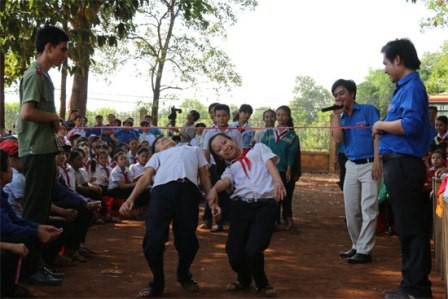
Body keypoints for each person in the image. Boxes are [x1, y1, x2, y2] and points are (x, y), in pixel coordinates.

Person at [119, 136, 221, 298]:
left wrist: (211, 198)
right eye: (160, 141)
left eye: (165, 138)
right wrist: (130, 199)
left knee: (188, 241)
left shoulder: (194, 150)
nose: (164, 140)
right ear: (157, 149)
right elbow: (146, 178)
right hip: (161, 193)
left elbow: (204, 176)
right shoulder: (157, 156)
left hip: (188, 192)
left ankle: (183, 273)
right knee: (153, 240)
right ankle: (157, 282)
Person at [372, 38, 432, 299]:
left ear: (398, 60)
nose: (385, 69)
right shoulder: (404, 88)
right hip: (398, 164)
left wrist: (381, 125)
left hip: (404, 165)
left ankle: (416, 289)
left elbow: (409, 125)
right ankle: (410, 285)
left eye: (386, 62)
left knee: (411, 228)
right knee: (406, 227)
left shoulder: (413, 88)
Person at [207, 133, 286, 297]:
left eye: (225, 142)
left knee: (253, 250)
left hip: (265, 206)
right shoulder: (230, 168)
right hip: (241, 206)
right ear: (219, 157)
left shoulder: (258, 149)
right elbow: (225, 182)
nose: (225, 147)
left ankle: (262, 283)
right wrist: (214, 189)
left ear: (232, 140)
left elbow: (270, 163)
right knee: (233, 252)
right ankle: (244, 279)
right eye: (219, 149)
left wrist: (278, 181)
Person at [330, 79, 381, 264]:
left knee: (369, 207)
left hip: (370, 164)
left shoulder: (368, 110)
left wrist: (377, 161)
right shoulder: (341, 118)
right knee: (351, 209)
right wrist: (335, 116)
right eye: (335, 95)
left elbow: (378, 135)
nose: (338, 97)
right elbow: (338, 139)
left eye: (341, 93)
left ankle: (364, 250)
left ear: (352, 93)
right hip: (351, 165)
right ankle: (356, 244)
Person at [260, 105, 300, 234]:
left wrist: (289, 169)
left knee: (286, 195)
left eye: (283, 115)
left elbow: (292, 153)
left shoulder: (292, 135)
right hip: (270, 170)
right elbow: (262, 149)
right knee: (271, 196)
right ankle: (273, 222)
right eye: (278, 115)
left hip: (283, 170)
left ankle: (288, 220)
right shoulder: (268, 133)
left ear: (288, 117)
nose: (280, 117)